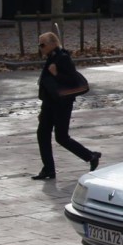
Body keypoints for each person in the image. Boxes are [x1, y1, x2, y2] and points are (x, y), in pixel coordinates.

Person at [34, 32, 100, 180]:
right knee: (42, 134)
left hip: (62, 104)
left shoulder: (63, 58)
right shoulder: (51, 56)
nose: (40, 47)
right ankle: (48, 169)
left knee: (61, 137)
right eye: (39, 44)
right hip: (49, 104)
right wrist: (42, 108)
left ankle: (91, 156)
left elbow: (72, 81)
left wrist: (56, 74)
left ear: (53, 43)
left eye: (42, 44)